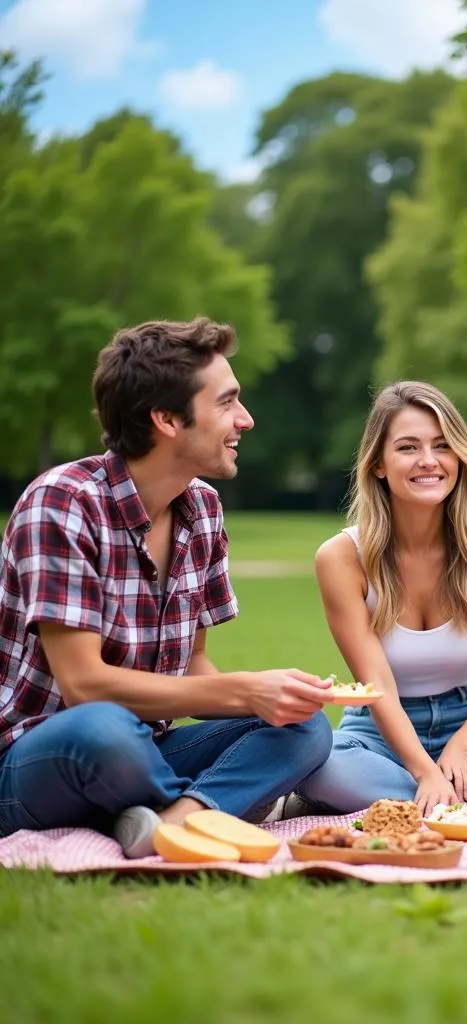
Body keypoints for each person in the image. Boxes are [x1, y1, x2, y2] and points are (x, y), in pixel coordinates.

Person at [0, 319, 333, 857]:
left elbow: (194, 666)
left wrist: (277, 699)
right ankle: (218, 808)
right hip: (42, 757)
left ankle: (171, 822)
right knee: (105, 731)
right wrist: (247, 690)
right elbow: (83, 685)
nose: (245, 420)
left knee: (305, 729)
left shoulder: (202, 510)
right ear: (167, 420)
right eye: (226, 403)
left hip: (146, 752)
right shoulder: (62, 504)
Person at [291, 381, 467, 818]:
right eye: (408, 448)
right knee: (314, 762)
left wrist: (461, 748)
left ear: (460, 458)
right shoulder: (341, 557)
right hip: (378, 731)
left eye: (443, 446)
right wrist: (424, 770)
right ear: (379, 465)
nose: (429, 461)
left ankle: (403, 803)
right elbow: (377, 687)